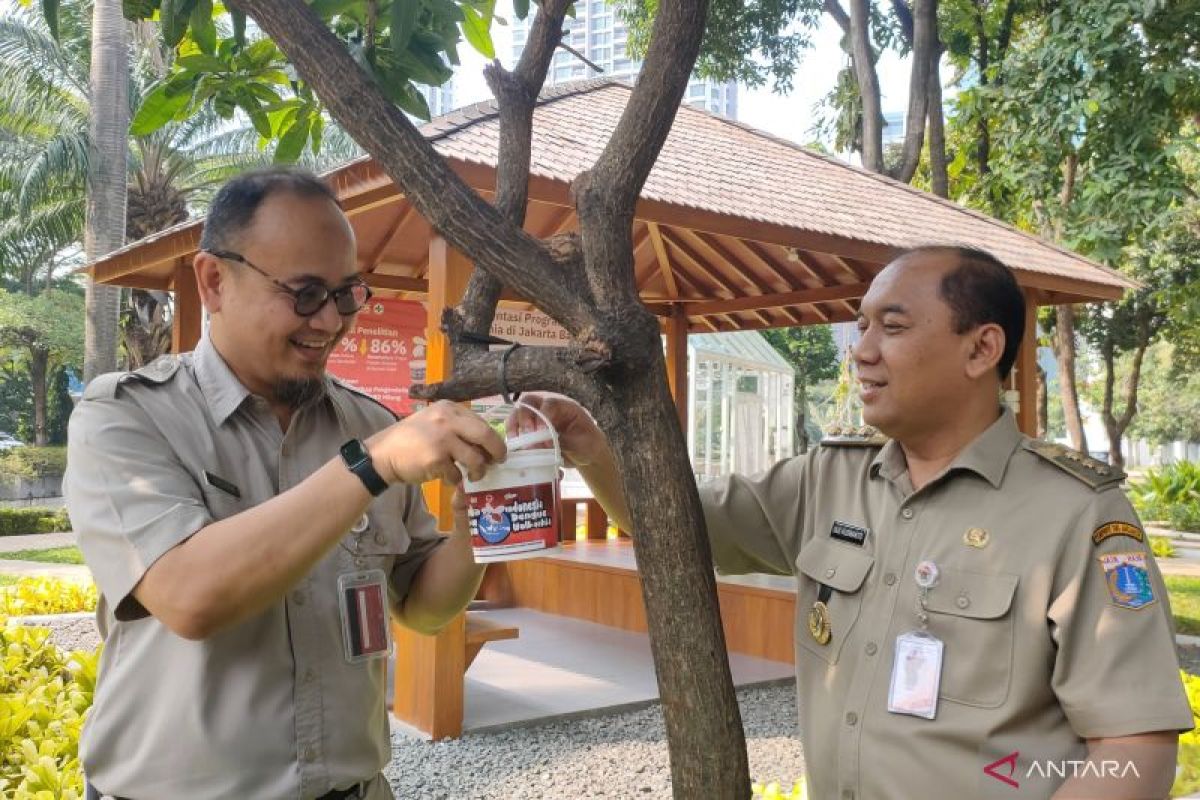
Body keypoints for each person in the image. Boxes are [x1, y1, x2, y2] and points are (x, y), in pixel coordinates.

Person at [513, 246, 1193, 799]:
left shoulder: (1075, 511)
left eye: (892, 328)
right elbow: (677, 525)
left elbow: (1134, 749)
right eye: (861, 326)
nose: (861, 351)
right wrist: (591, 446)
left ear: (982, 350)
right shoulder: (827, 478)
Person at [65, 167, 506, 800]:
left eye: (346, 293)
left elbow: (423, 607)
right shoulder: (126, 417)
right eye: (304, 293)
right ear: (214, 281)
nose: (329, 321)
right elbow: (190, 595)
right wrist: (368, 466)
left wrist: (483, 518)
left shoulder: (368, 422)